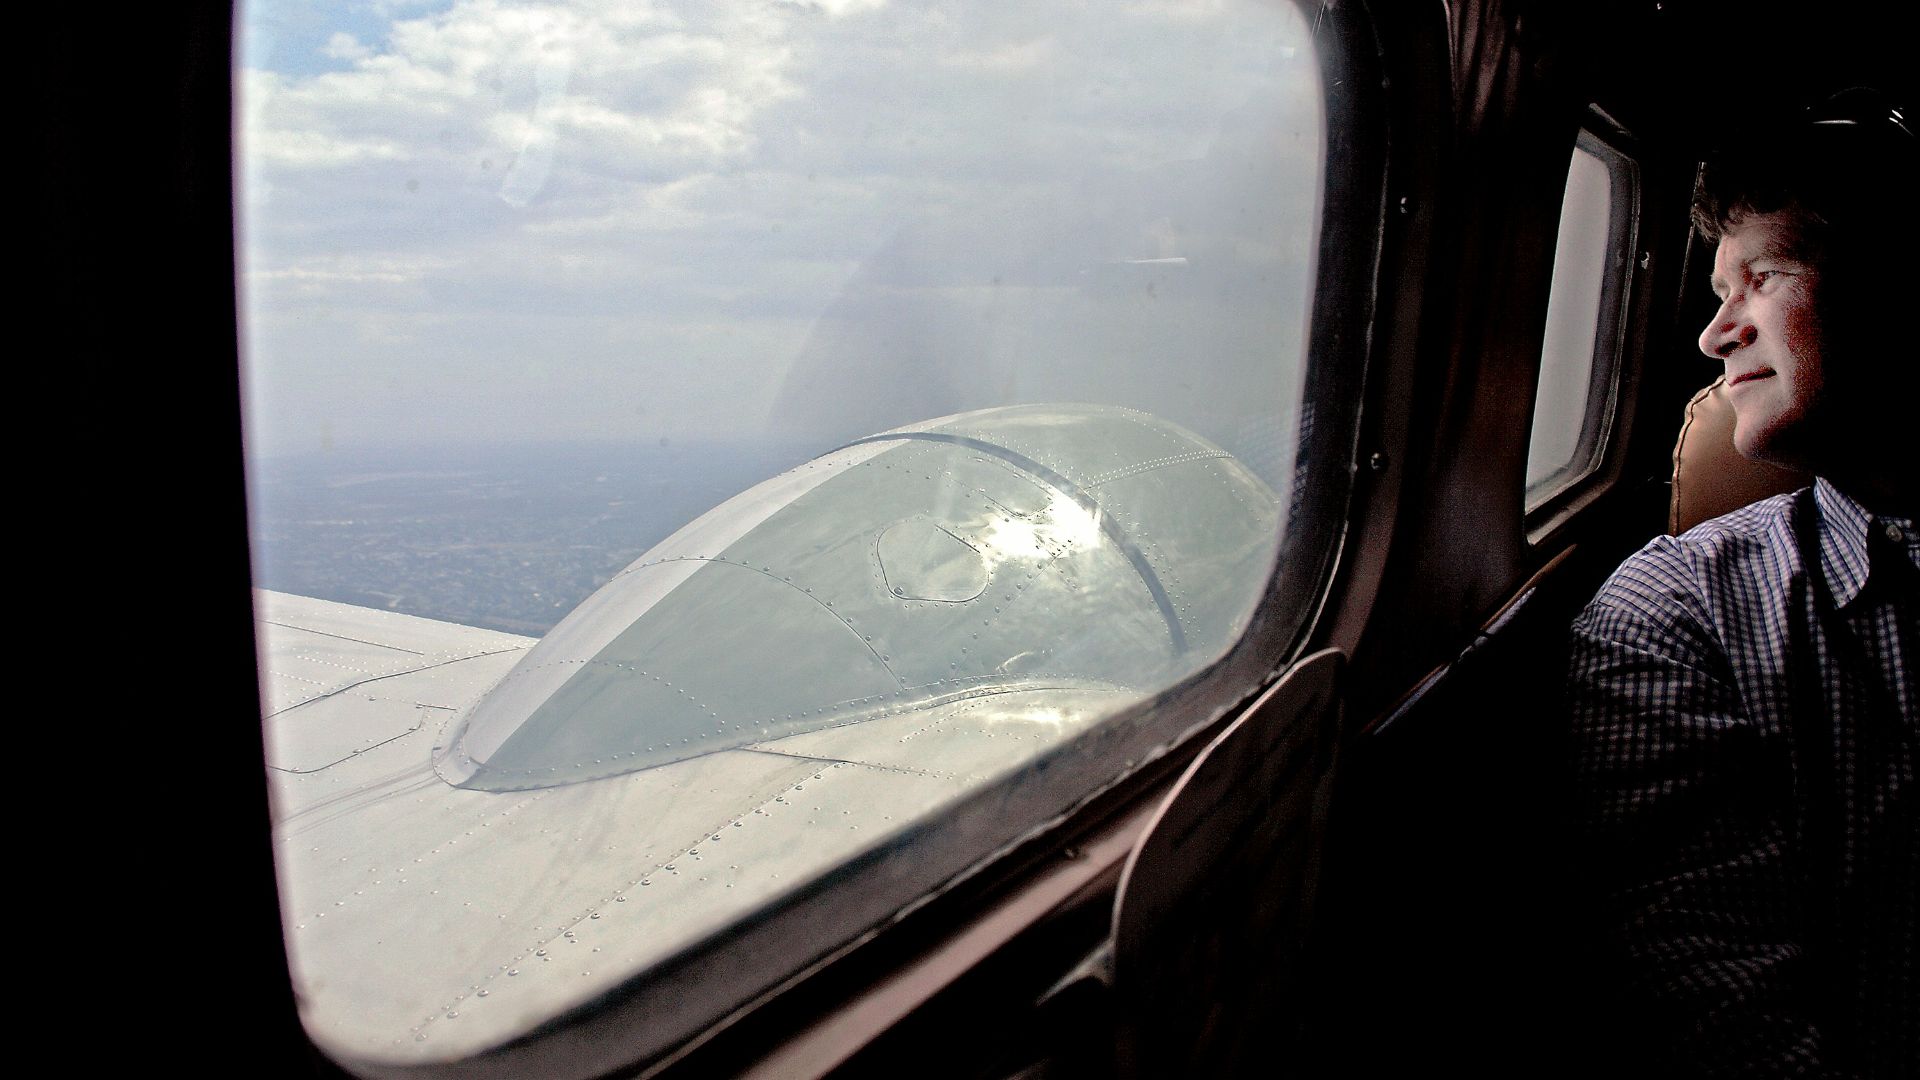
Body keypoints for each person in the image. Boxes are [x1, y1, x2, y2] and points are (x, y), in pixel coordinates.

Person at [1566, 91, 1915, 1078]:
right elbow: (1712, 1002)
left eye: (1759, 280)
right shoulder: (1681, 614)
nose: (1717, 336)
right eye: (1721, 293)